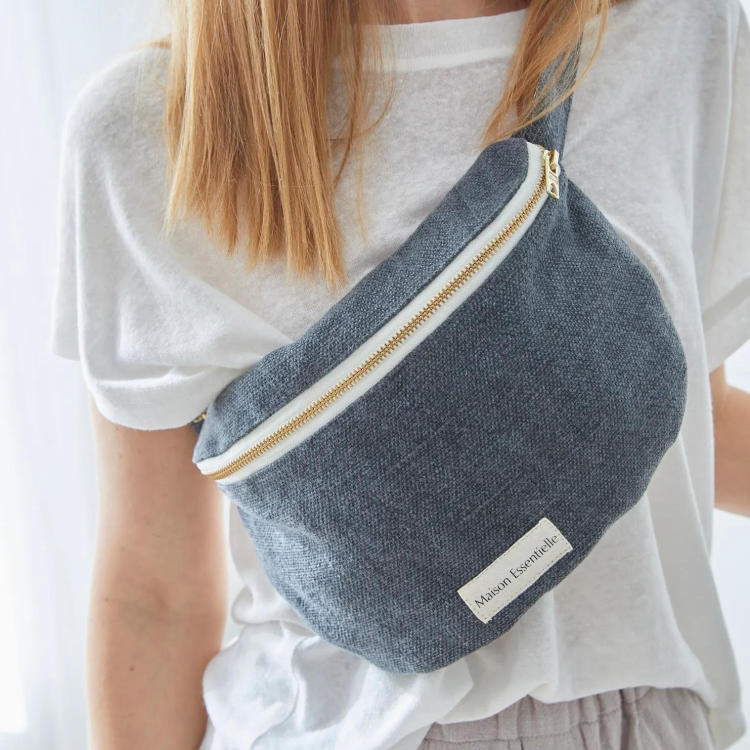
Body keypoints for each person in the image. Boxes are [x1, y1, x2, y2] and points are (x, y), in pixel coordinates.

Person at [49, 0, 750, 748]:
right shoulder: (148, 128)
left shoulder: (681, 34)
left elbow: (690, 420)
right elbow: (154, 596)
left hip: (648, 722)